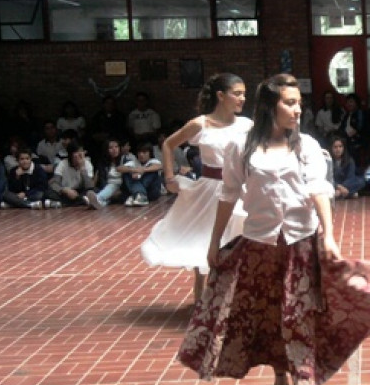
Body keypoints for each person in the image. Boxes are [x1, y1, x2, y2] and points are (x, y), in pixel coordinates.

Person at [176, 73, 370, 385]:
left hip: (300, 246)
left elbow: (319, 190)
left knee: (298, 318)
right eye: (289, 103)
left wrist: (329, 235)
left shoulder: (305, 145)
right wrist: (213, 243)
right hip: (258, 247)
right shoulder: (241, 147)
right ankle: (279, 377)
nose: (296, 110)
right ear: (269, 107)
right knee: (271, 316)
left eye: (299, 104)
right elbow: (227, 195)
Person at [140, 74, 252, 304]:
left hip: (240, 187)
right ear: (221, 96)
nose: (243, 98)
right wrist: (169, 177)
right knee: (205, 238)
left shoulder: (246, 125)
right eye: (237, 93)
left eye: (244, 94)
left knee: (237, 237)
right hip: (209, 189)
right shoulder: (199, 124)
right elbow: (169, 144)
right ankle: (202, 299)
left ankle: (234, 297)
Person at [45, 143, 95, 208]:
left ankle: (64, 204)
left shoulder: (87, 164)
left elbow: (89, 186)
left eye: (81, 152)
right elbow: (54, 183)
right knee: (49, 193)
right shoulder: (62, 164)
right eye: (77, 152)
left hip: (79, 191)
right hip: (65, 191)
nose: (79, 155)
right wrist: (65, 190)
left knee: (93, 191)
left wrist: (82, 168)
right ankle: (81, 201)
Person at [87, 138, 133, 208]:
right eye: (111, 148)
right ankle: (99, 202)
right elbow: (102, 179)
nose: (114, 149)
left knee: (112, 186)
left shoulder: (125, 160)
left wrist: (120, 190)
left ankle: (96, 199)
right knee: (109, 188)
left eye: (116, 147)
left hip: (121, 189)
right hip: (107, 187)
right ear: (106, 150)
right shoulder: (103, 163)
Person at [119, 142, 163, 206]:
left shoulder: (154, 161)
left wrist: (143, 170)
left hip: (151, 192)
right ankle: (138, 195)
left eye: (144, 152)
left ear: (150, 153)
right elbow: (119, 169)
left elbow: (159, 166)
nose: (141, 155)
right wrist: (133, 170)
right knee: (126, 173)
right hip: (137, 192)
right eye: (139, 152)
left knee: (152, 172)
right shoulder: (134, 162)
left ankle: (137, 195)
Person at [329, 135, 364, 199]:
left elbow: (351, 177)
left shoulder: (349, 160)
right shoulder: (327, 160)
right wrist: (338, 186)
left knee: (361, 180)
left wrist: (342, 188)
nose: (338, 149)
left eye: (340, 147)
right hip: (334, 184)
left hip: (346, 184)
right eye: (335, 147)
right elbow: (327, 178)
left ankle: (340, 193)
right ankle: (349, 193)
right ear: (331, 148)